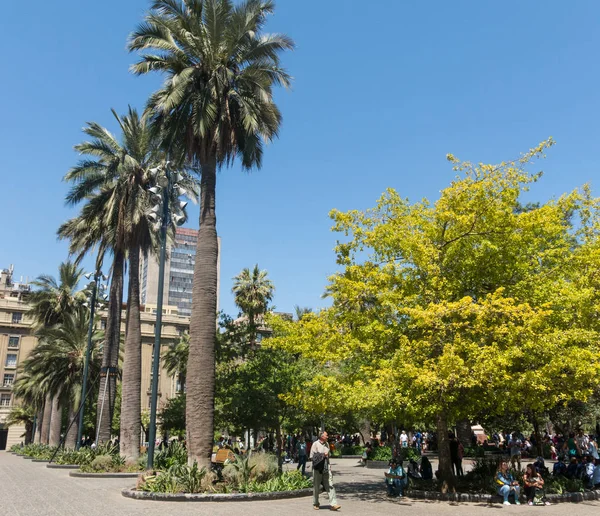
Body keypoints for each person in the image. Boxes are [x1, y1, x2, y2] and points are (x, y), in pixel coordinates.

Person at [310, 431, 341, 511]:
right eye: (326, 435)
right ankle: (316, 503)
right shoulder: (315, 444)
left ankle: (333, 504)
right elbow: (312, 457)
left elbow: (328, 457)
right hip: (318, 469)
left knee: (330, 485)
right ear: (321, 436)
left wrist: (329, 466)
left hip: (326, 468)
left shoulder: (327, 444)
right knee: (316, 487)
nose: (327, 437)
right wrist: (323, 455)